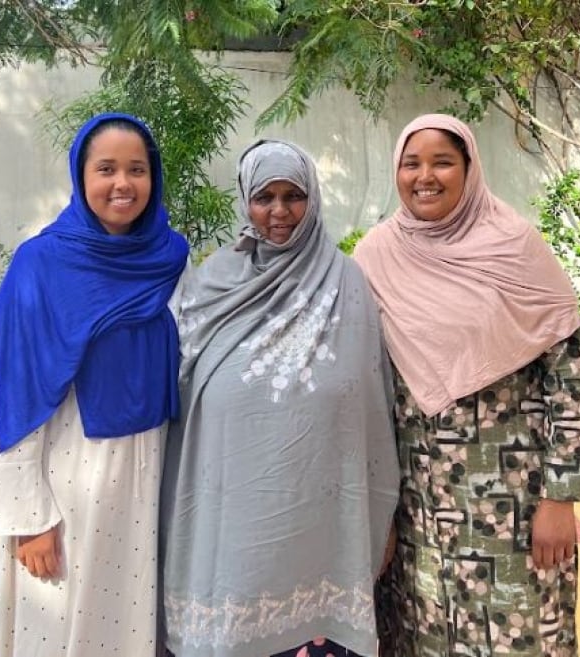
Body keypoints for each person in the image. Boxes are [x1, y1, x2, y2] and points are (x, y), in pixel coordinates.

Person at [353, 113, 580, 657]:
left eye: (443, 162)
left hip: (512, 506)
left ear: (469, 168)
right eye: (411, 163)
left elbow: (568, 378)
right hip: (418, 506)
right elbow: (364, 389)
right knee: (424, 635)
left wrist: (560, 499)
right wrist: (375, 510)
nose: (426, 176)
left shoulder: (514, 247)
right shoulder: (376, 256)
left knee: (521, 635)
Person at [159, 140, 400, 657]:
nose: (279, 212)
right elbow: (178, 382)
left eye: (293, 196)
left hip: (320, 517)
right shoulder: (212, 281)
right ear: (245, 199)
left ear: (312, 200)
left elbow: (371, 401)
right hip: (229, 511)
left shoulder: (345, 281)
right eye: (264, 196)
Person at [0, 112, 189, 657]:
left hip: (146, 478)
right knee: (59, 627)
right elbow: (17, 396)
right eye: (107, 169)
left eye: (137, 169)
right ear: (82, 176)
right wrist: (30, 518)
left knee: (127, 628)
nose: (123, 184)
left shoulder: (169, 259)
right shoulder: (41, 265)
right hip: (68, 485)